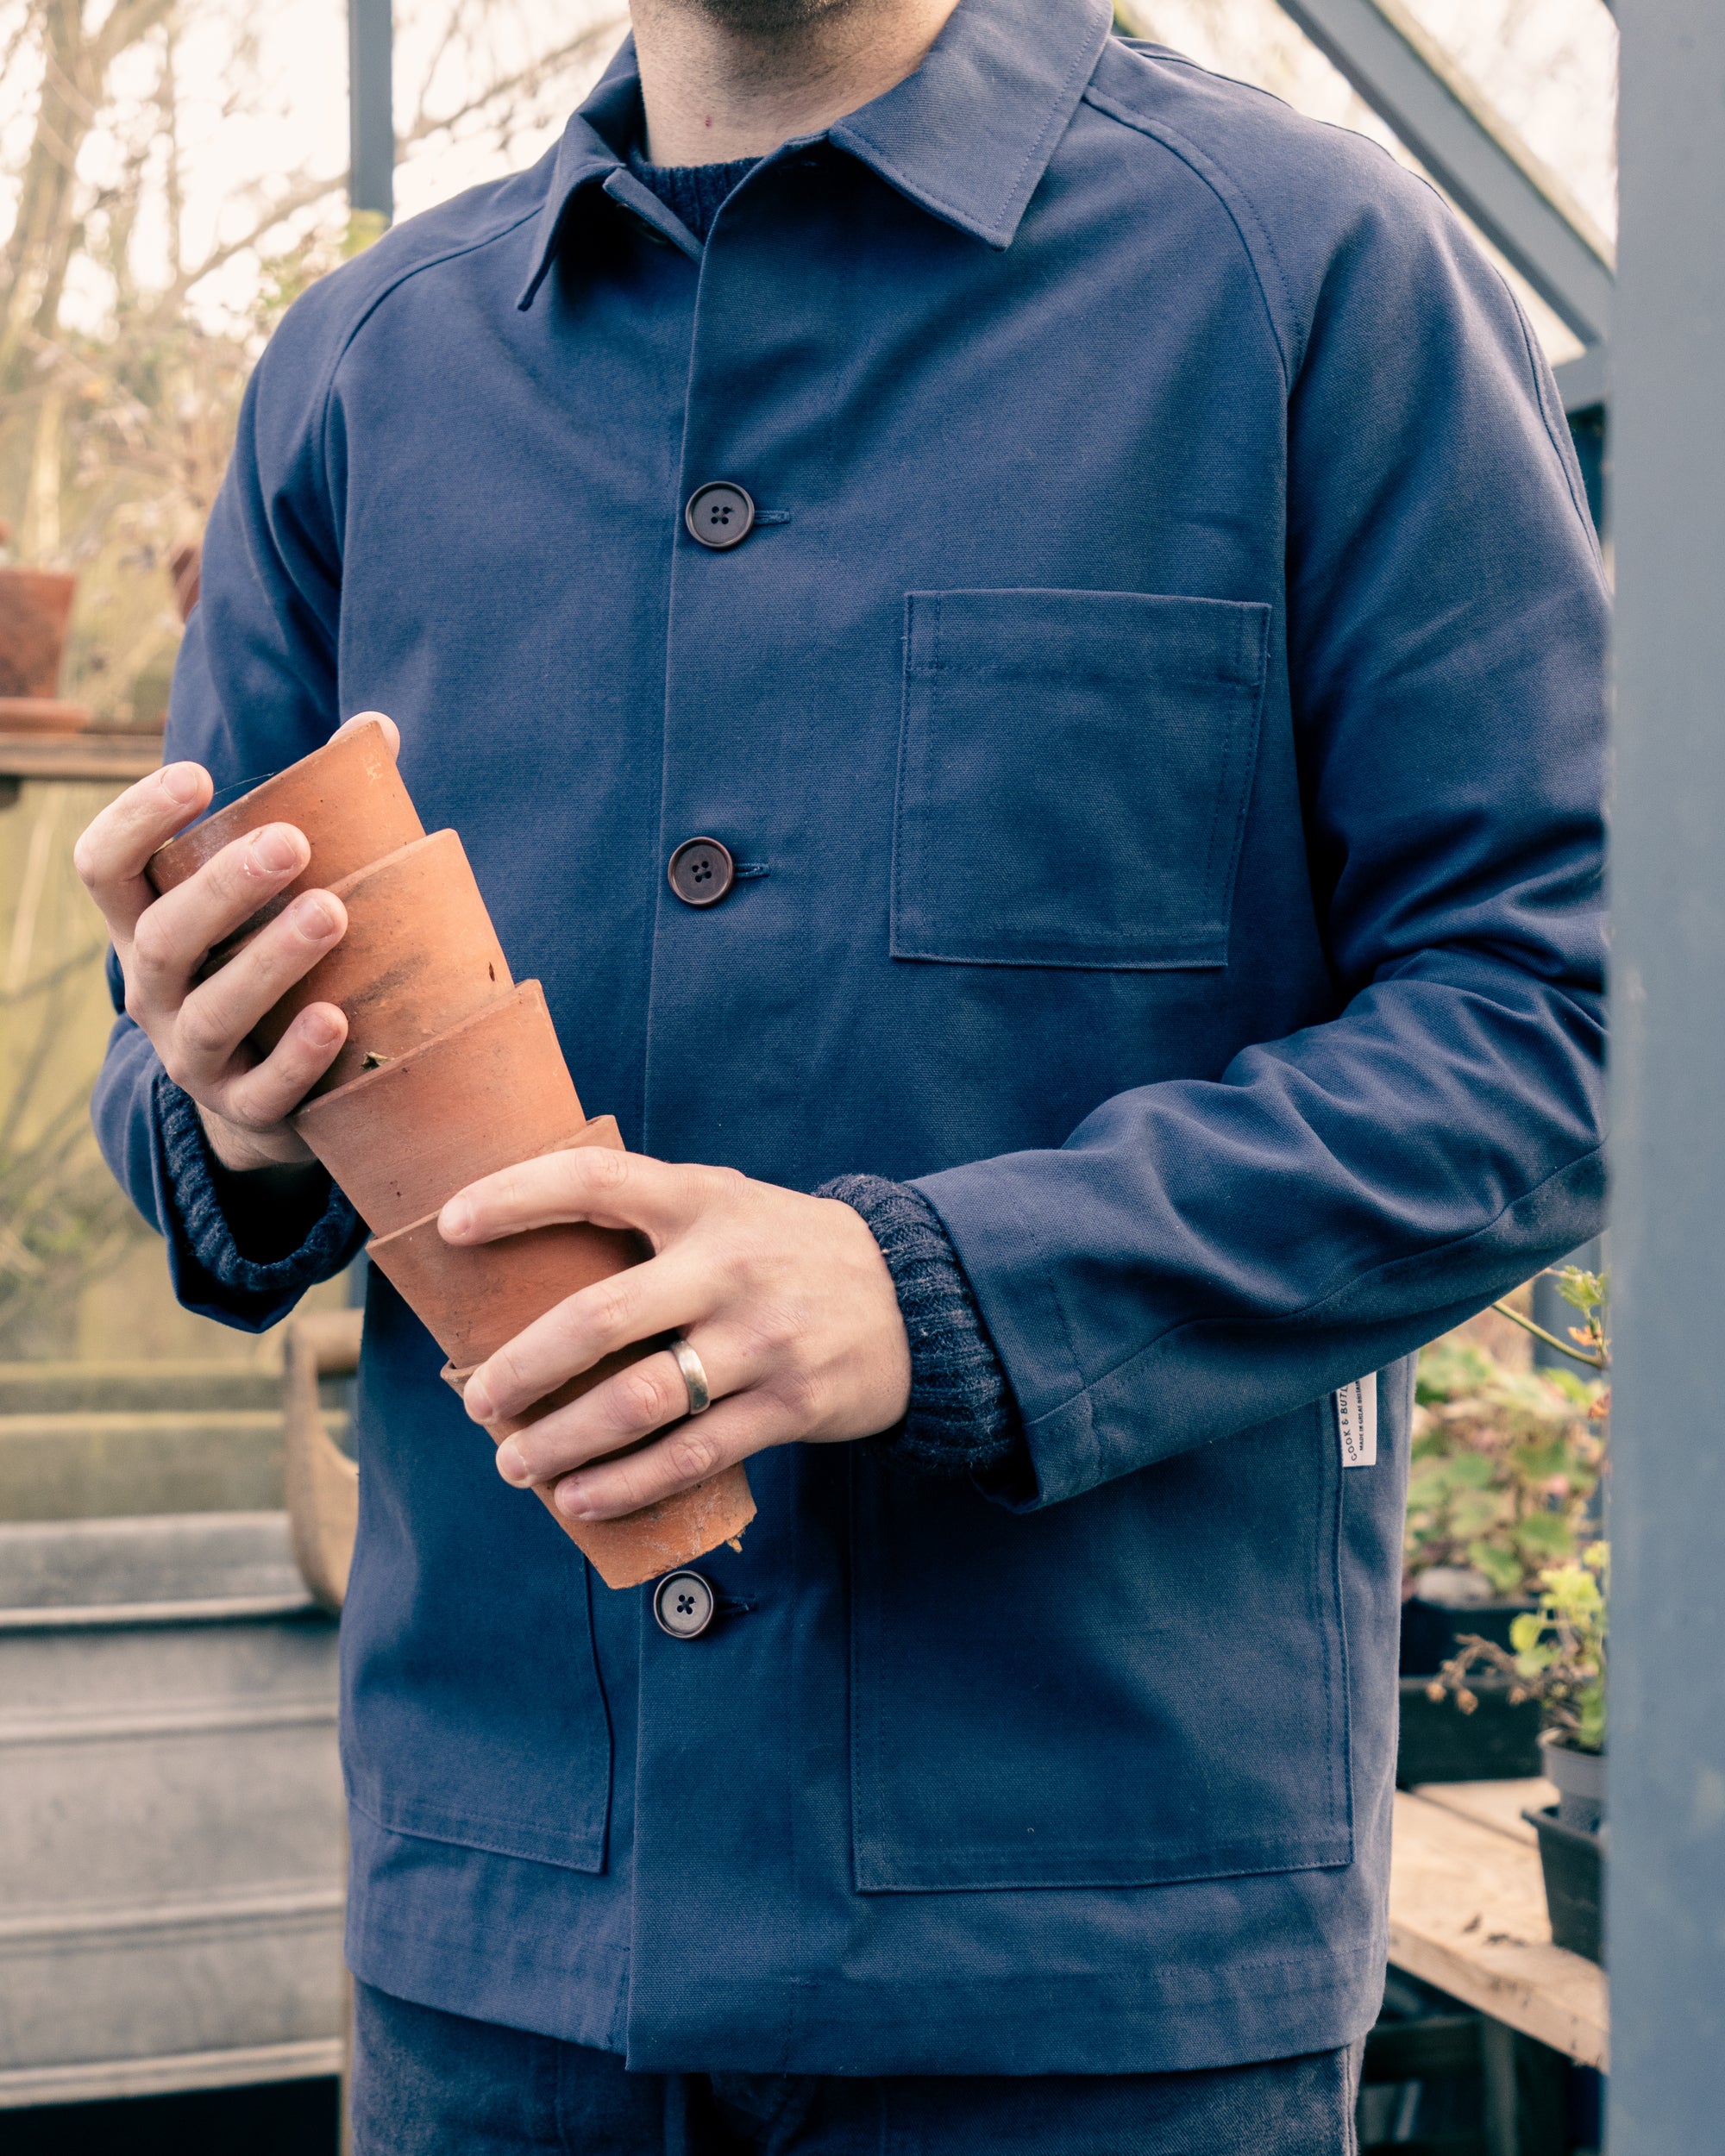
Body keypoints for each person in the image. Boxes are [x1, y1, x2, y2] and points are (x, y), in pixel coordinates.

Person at [76, 0, 1607, 2147]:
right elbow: (174, 1093)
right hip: (501, 1965)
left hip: (1088, 1974)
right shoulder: (363, 375)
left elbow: (1568, 1017)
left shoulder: (1302, 279)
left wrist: (938, 1291)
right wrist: (230, 1102)